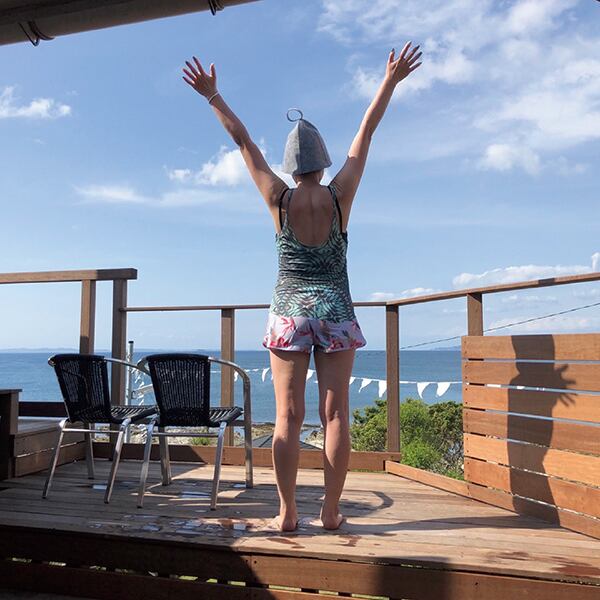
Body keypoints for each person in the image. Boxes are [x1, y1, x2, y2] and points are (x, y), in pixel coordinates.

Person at [182, 43, 422, 531]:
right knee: (336, 416)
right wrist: (390, 81)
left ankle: (287, 512)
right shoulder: (340, 194)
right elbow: (366, 132)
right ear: (323, 162)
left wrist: (212, 96)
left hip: (288, 311)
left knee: (287, 417)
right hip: (335, 310)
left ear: (291, 166)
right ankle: (330, 511)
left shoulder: (278, 197)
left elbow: (243, 142)